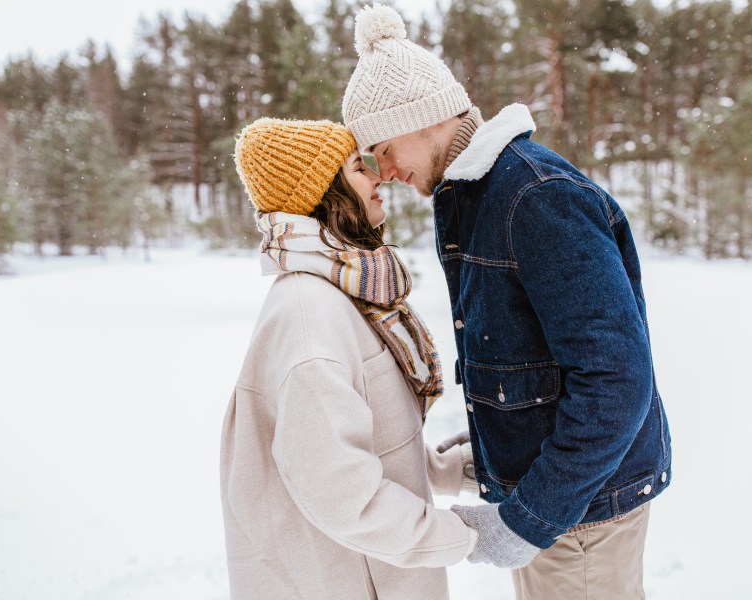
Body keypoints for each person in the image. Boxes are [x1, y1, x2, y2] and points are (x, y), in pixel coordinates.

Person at [341, 4, 672, 599]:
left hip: (581, 518)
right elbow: (533, 351)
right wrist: (499, 438)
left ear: (423, 119)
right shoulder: (478, 197)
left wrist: (529, 520)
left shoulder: (534, 198)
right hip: (557, 503)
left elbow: (616, 380)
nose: (383, 172)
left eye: (384, 149)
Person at [219, 116, 480, 600]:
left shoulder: (342, 293)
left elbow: (353, 443)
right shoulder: (310, 320)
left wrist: (451, 471)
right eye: (357, 168)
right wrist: (467, 536)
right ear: (324, 193)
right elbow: (342, 494)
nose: (378, 176)